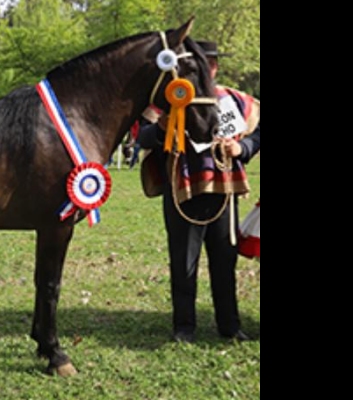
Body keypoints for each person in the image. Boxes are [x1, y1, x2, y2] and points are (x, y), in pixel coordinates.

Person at [137, 41, 260, 343]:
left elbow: (258, 131)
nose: (207, 69)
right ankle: (184, 328)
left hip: (224, 191)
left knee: (224, 260)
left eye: (211, 63)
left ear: (215, 67)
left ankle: (229, 325)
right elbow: (142, 135)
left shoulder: (235, 100)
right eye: (199, 64)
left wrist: (242, 147)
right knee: (183, 260)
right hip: (182, 192)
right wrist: (165, 129)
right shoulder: (169, 98)